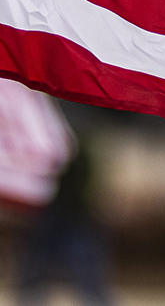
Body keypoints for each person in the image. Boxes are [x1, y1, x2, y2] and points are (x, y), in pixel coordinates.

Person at [13, 102, 115, 306]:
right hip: (51, 212)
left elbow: (84, 183)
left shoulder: (79, 145)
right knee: (36, 270)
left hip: (73, 214)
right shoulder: (53, 137)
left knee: (83, 270)